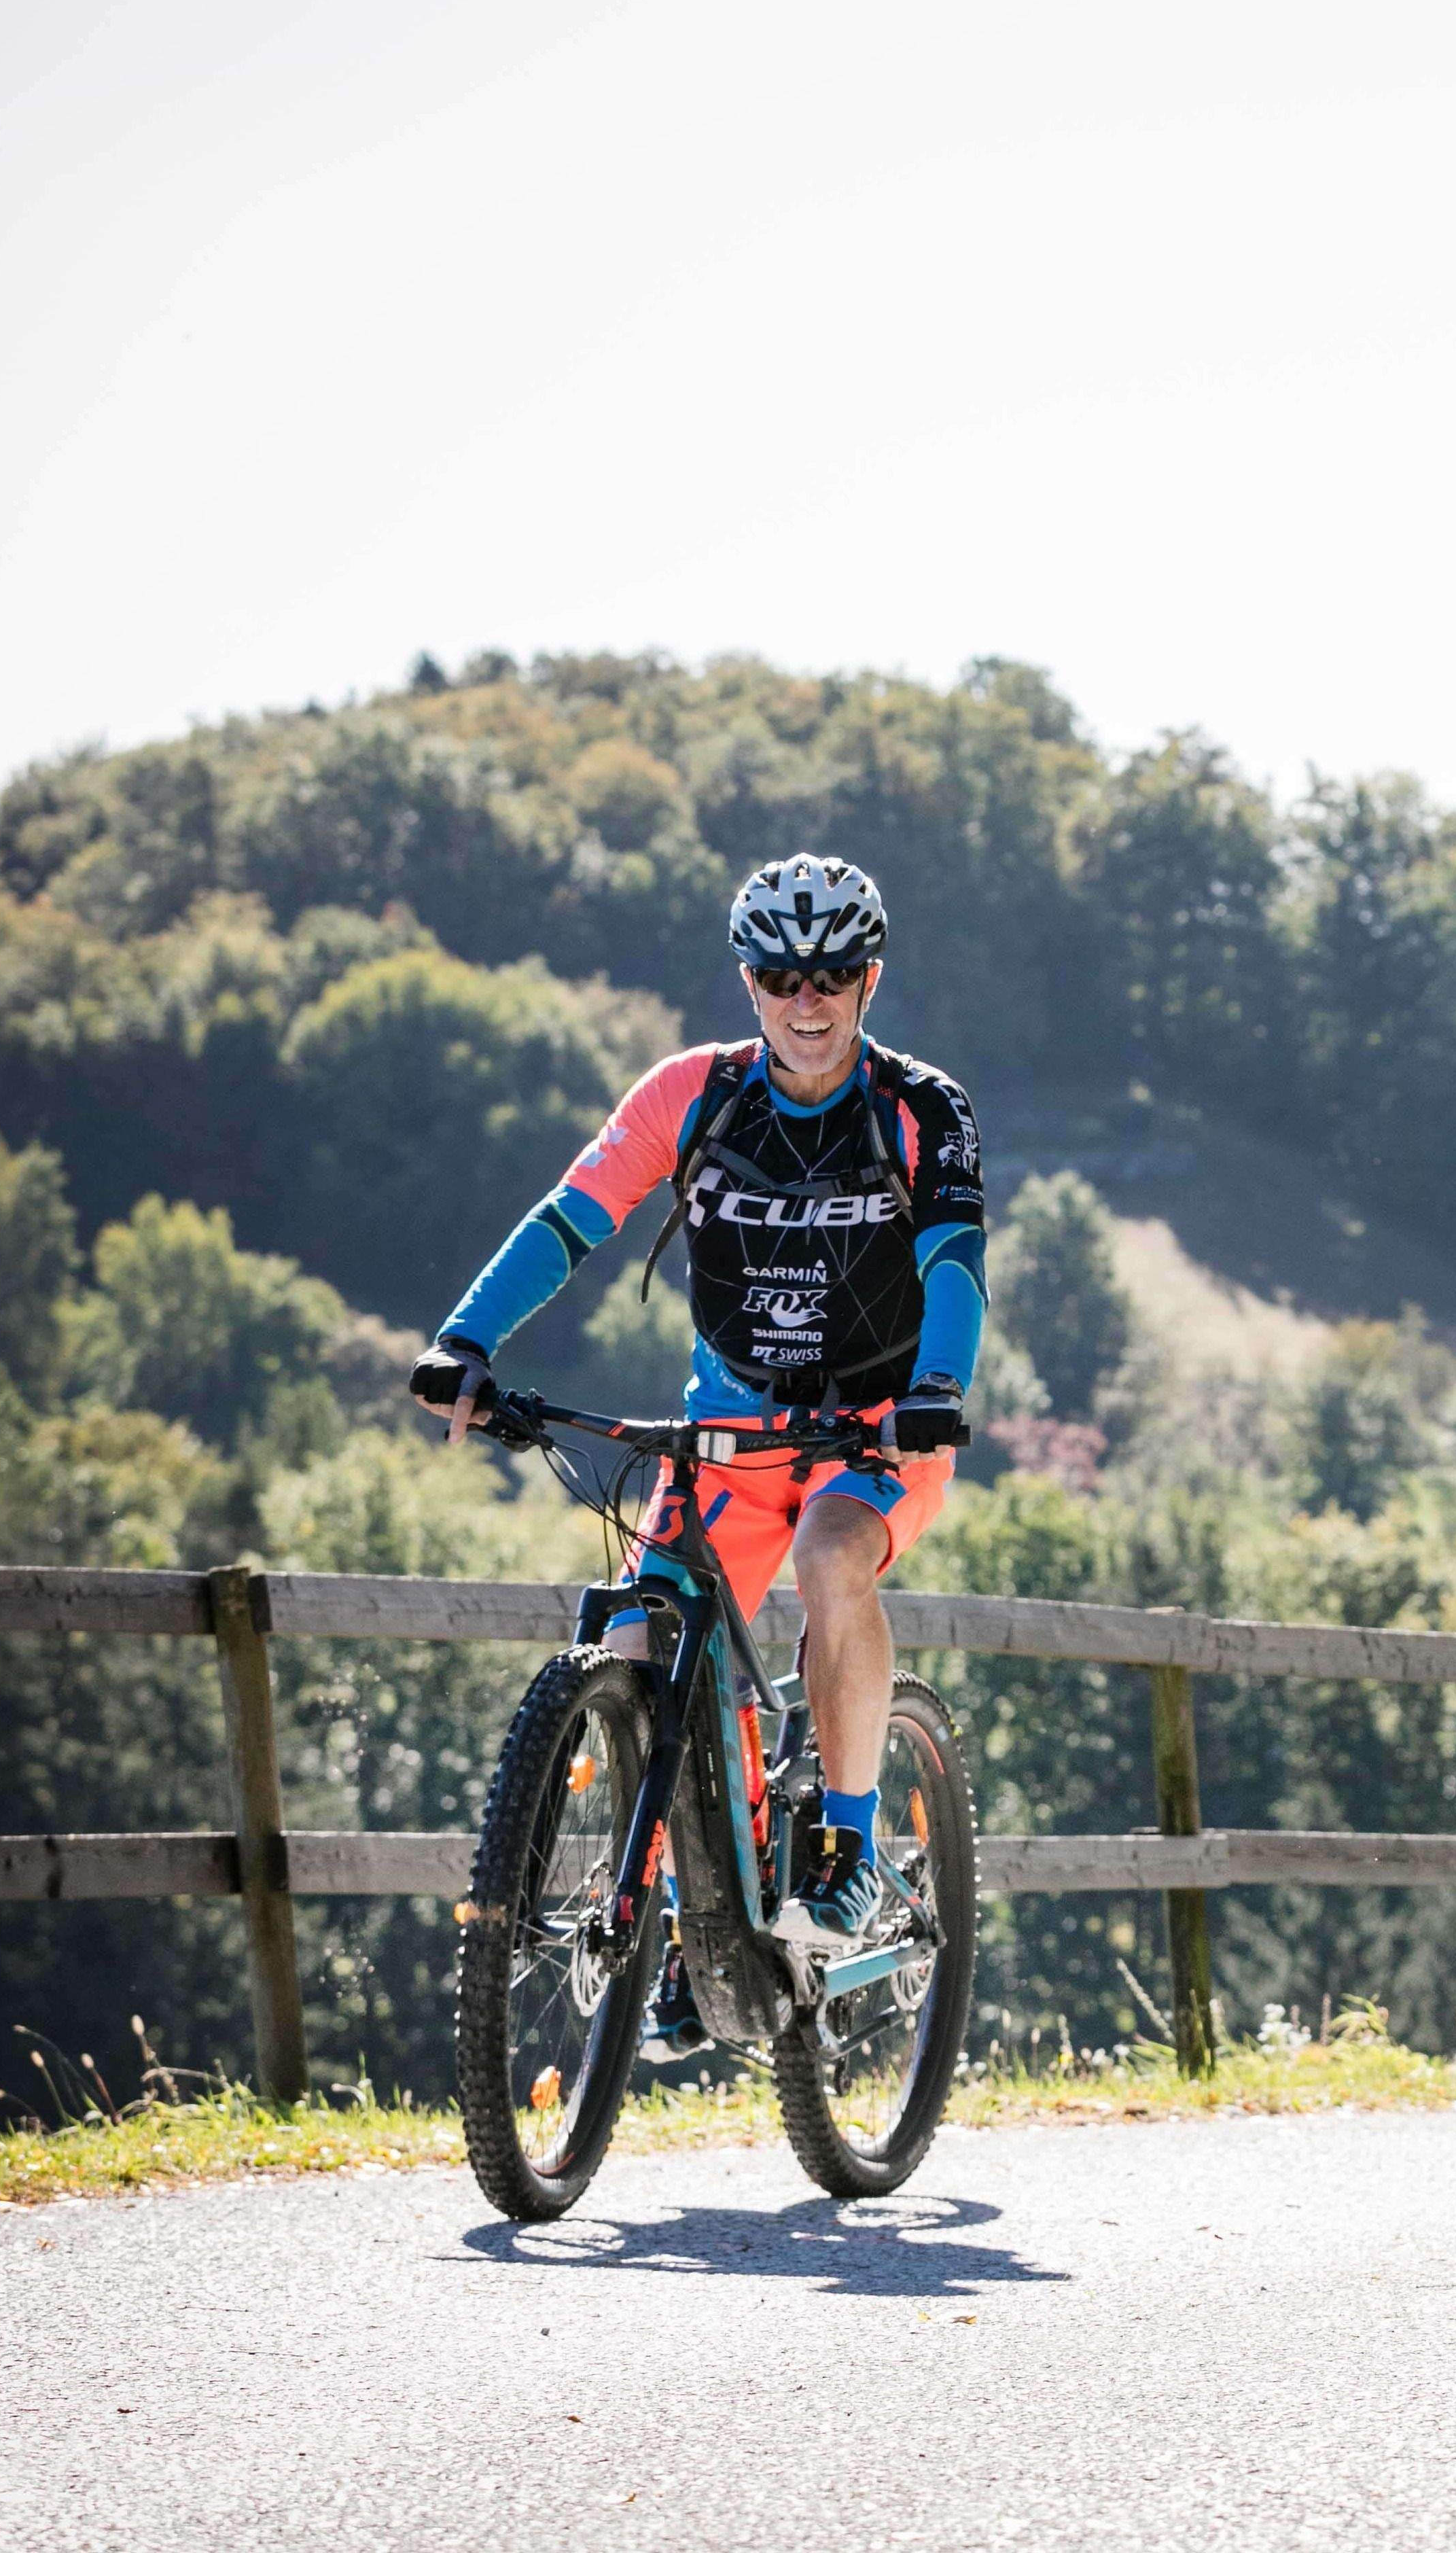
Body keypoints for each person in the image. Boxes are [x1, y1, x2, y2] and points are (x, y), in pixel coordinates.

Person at [410, 853, 987, 2054]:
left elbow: (951, 1265)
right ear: (749, 978)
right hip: (728, 1434)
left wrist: (935, 1389)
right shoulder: (691, 1094)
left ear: (869, 977)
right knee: (639, 1635)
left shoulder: (922, 1107)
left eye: (831, 973)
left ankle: (840, 1846)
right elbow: (572, 1216)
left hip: (871, 1432)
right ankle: (689, 1916)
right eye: (780, 974)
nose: (806, 998)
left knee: (836, 1557)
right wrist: (464, 1339)